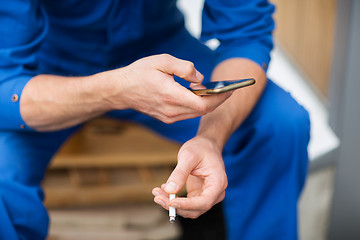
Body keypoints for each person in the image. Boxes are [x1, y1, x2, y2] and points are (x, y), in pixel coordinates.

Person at [0, 0, 310, 239]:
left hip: (164, 51)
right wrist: (115, 89)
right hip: (44, 67)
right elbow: (4, 85)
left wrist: (211, 137)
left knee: (279, 124)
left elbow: (246, 33)